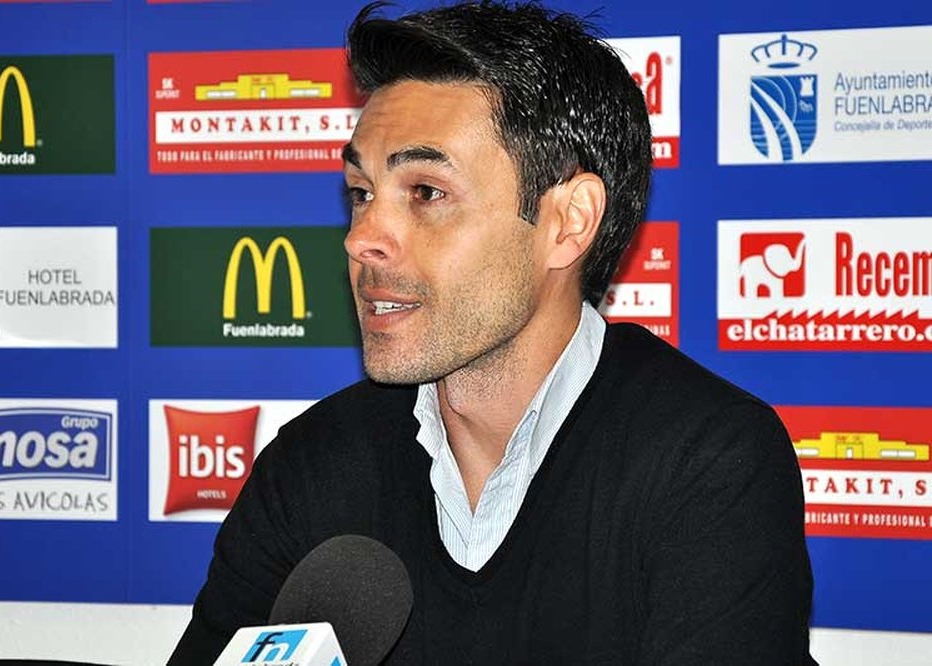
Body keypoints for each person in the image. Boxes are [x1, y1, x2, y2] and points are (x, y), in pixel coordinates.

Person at [169, 2, 816, 664]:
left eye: (425, 193)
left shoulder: (707, 463)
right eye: (361, 193)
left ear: (567, 222)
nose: (362, 238)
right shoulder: (312, 465)